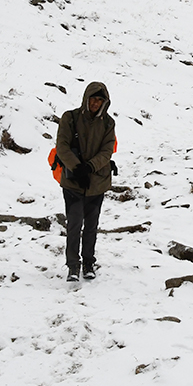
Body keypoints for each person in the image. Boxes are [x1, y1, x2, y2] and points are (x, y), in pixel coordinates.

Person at [55, 81, 116, 282]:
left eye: (100, 100)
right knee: (74, 224)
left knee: (91, 225)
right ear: (86, 98)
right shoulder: (70, 118)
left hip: (97, 182)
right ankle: (73, 265)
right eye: (93, 99)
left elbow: (108, 150)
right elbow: (62, 146)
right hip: (73, 182)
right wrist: (76, 166)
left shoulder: (108, 123)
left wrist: (90, 166)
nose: (96, 103)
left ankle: (88, 262)